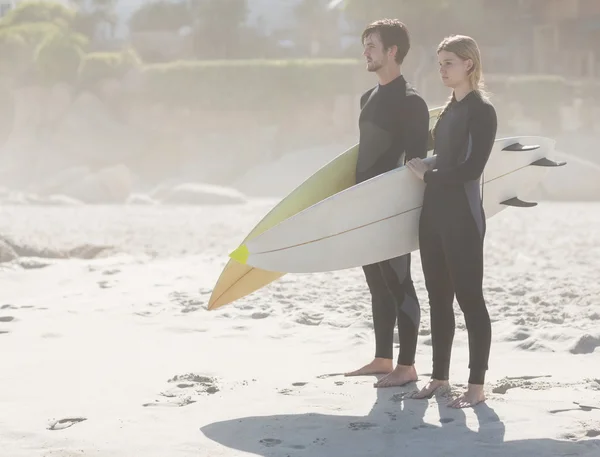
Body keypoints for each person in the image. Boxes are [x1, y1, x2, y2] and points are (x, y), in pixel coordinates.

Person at [406, 34, 497, 408]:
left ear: (469, 65)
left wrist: (428, 175)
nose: (441, 69)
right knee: (438, 299)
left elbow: (471, 168)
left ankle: (476, 386)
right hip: (433, 216)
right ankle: (439, 377)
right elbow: (445, 156)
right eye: (439, 62)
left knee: (470, 299)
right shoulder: (447, 110)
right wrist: (426, 163)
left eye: (449, 63)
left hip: (461, 217)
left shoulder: (481, 110)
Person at [344, 19, 430, 388]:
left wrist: (401, 210)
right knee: (376, 284)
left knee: (399, 283)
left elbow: (416, 163)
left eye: (372, 45)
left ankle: (407, 366)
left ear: (392, 51)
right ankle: (383, 358)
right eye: (364, 44)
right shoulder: (367, 98)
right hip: (366, 204)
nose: (365, 51)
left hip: (391, 207)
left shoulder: (411, 102)